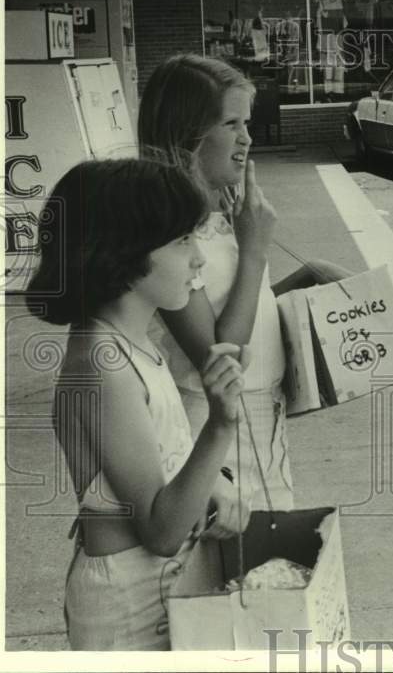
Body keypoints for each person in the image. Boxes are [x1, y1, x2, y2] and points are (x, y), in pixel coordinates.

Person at [26, 159, 252, 650]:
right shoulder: (100, 364)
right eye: (181, 241)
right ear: (121, 254)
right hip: (128, 607)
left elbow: (159, 465)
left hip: (160, 586)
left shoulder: (131, 343)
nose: (199, 259)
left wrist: (212, 485)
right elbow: (161, 529)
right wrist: (219, 426)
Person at [138, 53, 351, 512]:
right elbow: (218, 357)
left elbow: (239, 308)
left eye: (247, 122)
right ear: (188, 135)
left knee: (269, 570)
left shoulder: (223, 211)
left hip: (265, 417)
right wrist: (253, 250)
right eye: (231, 123)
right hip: (211, 426)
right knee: (232, 570)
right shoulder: (166, 230)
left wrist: (302, 279)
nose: (247, 137)